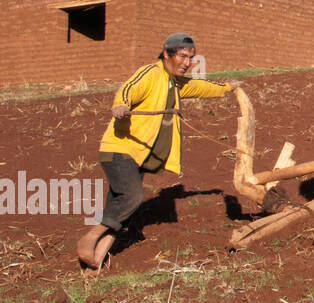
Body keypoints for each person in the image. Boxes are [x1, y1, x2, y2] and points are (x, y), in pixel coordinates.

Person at [76, 33, 240, 272]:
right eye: (182, 56)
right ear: (166, 53)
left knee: (123, 209)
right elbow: (129, 88)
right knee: (132, 197)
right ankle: (88, 240)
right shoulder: (151, 74)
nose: (187, 62)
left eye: (191, 58)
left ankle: (94, 263)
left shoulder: (176, 83)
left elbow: (200, 87)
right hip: (121, 148)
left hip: (139, 156)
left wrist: (227, 87)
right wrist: (121, 105)